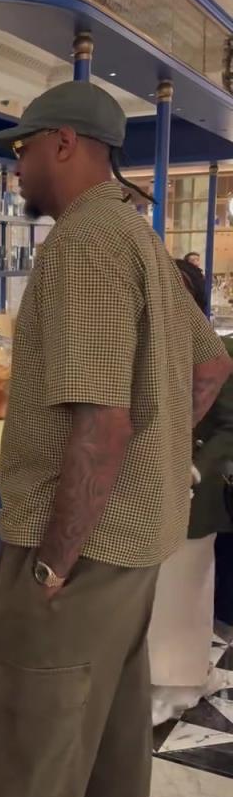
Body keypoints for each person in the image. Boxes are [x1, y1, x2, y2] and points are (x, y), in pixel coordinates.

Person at [0, 82, 232, 797]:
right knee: (111, 758)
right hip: (131, 552)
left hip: (76, 556)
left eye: (23, 148)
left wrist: (53, 562)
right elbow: (210, 367)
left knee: (20, 769)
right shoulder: (138, 236)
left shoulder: (84, 242)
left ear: (64, 142)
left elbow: (102, 423)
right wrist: (155, 457)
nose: (16, 165)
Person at [149, 258, 233, 724]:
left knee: (184, 590)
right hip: (142, 496)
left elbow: (228, 430)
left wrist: (193, 472)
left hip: (194, 497)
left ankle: (179, 684)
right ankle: (147, 678)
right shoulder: (140, 351)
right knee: (152, 597)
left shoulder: (217, 354)